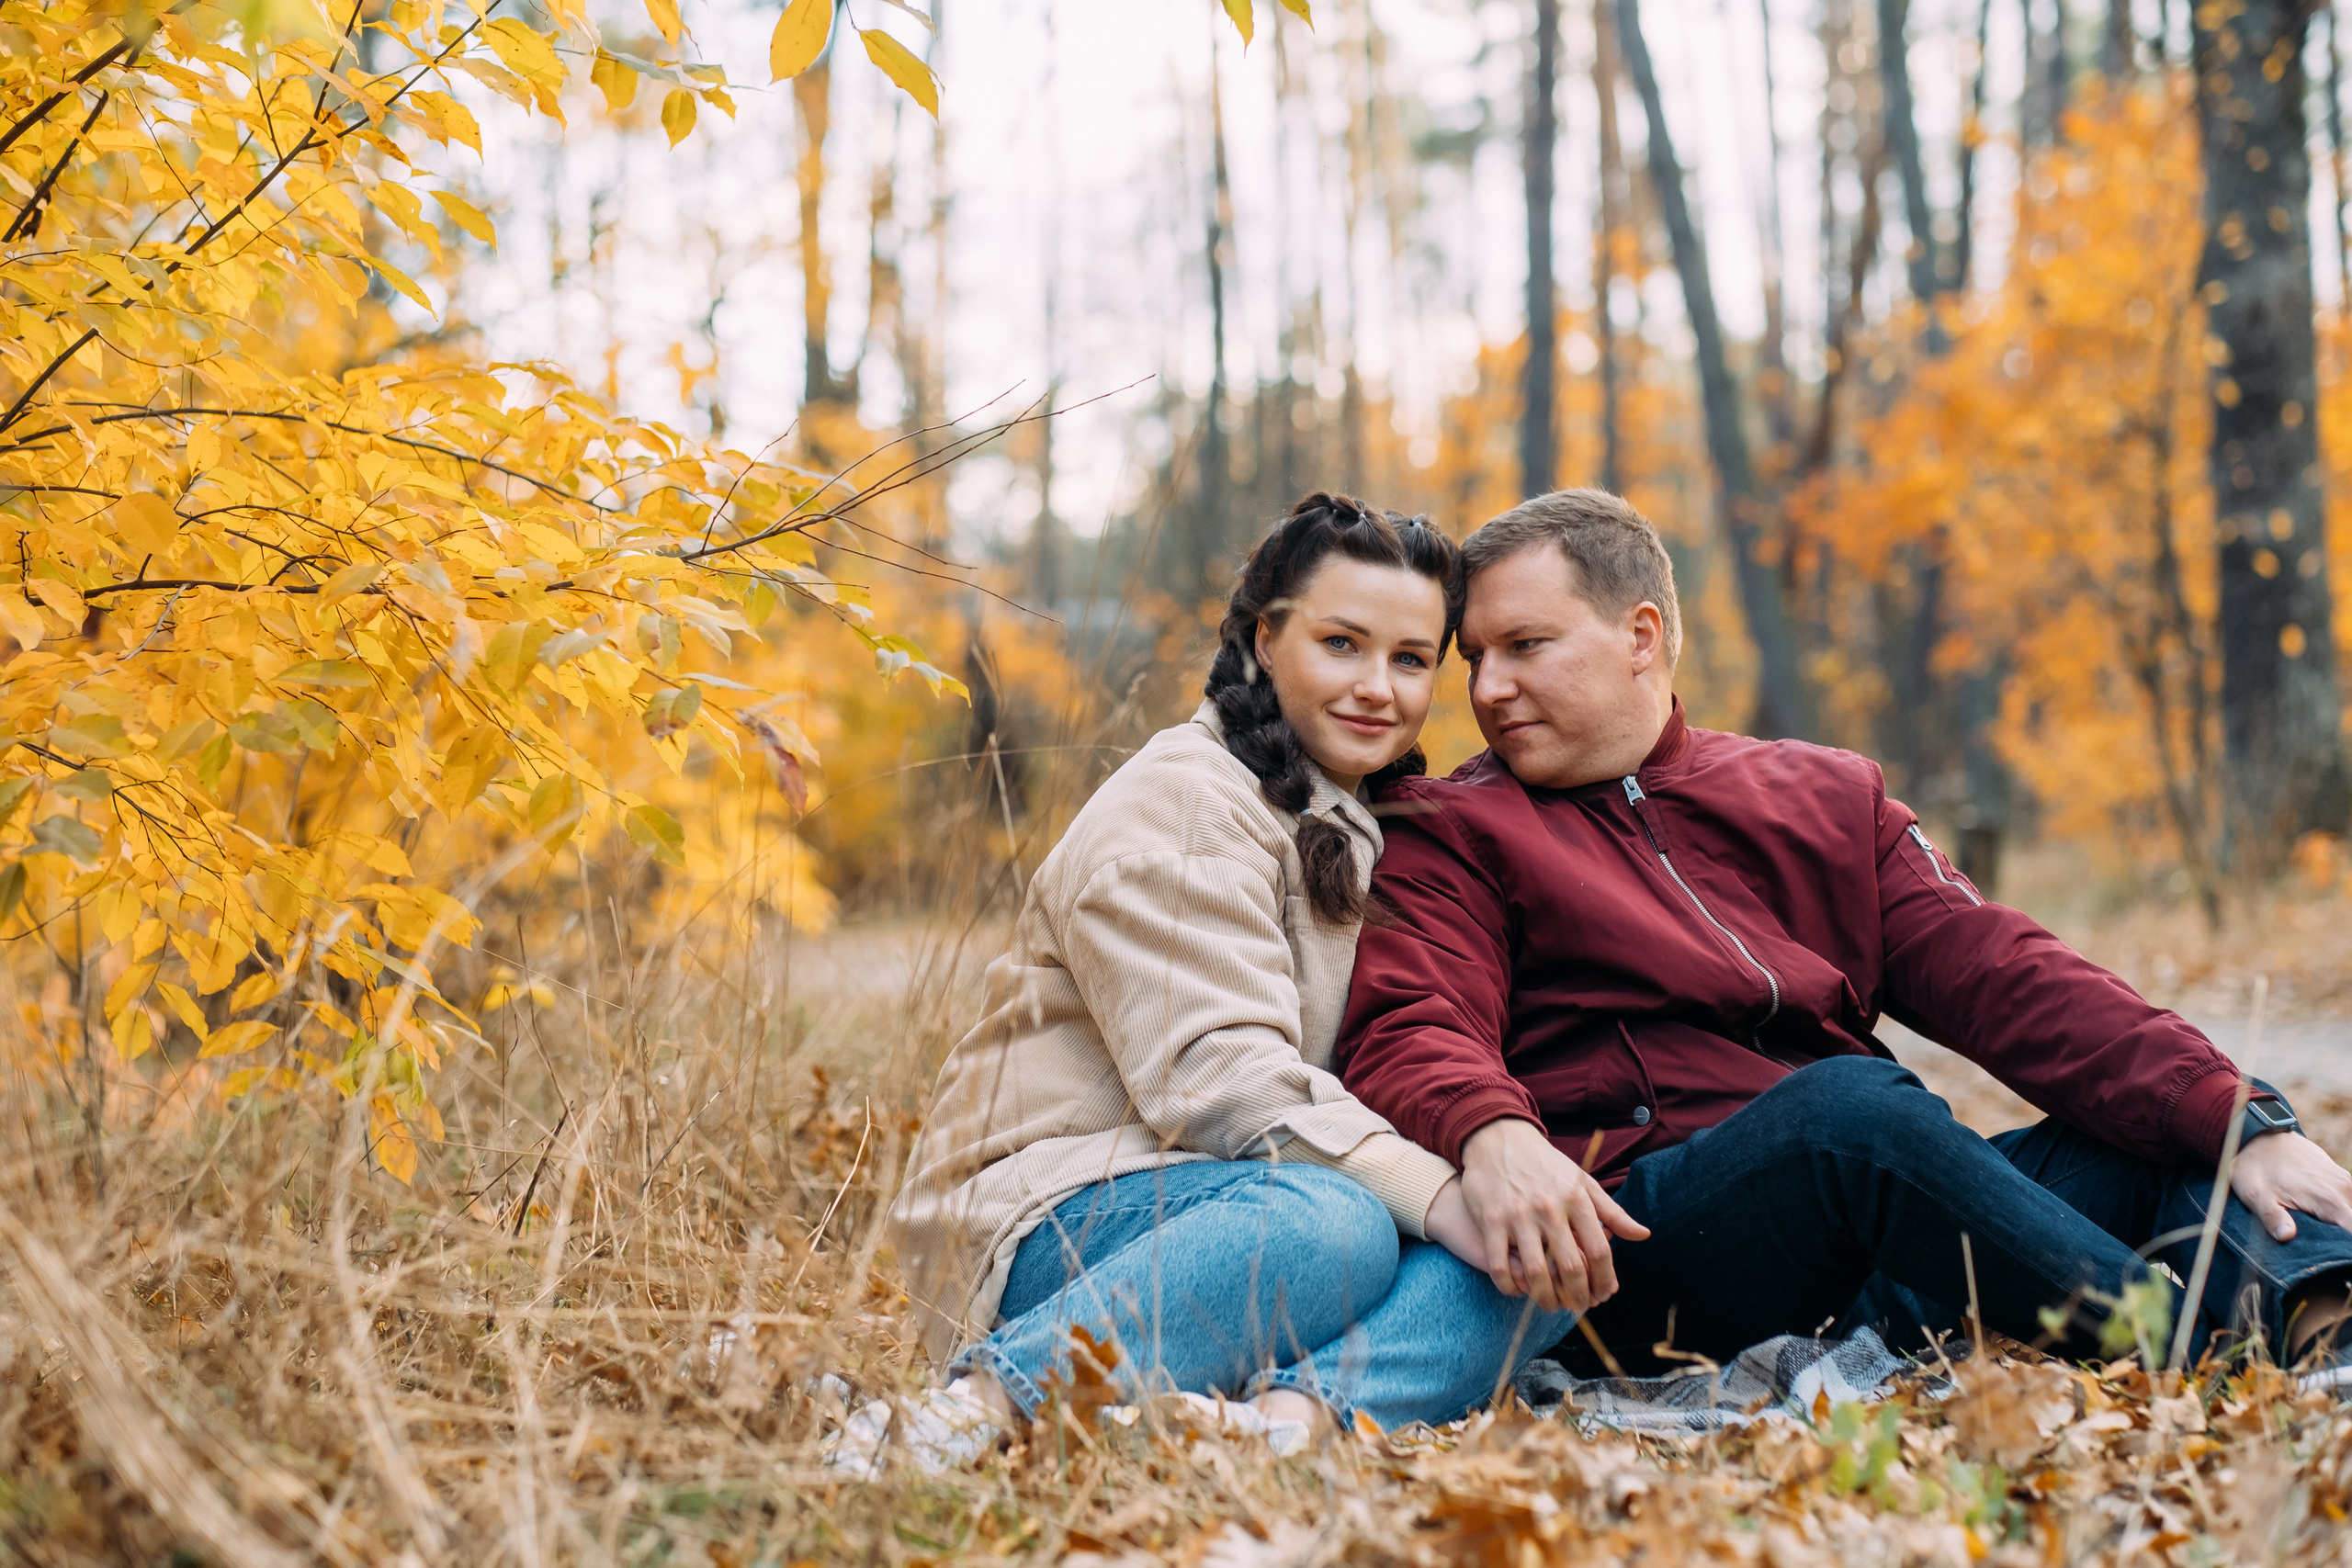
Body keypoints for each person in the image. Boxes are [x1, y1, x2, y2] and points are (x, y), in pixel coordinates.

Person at [1336, 488, 2352, 1380]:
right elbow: (1410, 1018)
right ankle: (2203, 1353)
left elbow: (2012, 979)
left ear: (1639, 636)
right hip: (1652, 1243)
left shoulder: (1821, 794)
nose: (1487, 690)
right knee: (1849, 1113)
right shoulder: (1454, 830)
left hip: (1892, 1228)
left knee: (2171, 1135)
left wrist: (2235, 1116)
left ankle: (2326, 1331)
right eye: (1475, 658)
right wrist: (1491, 1132)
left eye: (1526, 647)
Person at [866, 494, 1574, 1476]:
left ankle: (1279, 1422)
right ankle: (976, 1405)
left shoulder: (1344, 811)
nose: (1378, 687)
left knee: (1543, 1254)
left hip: (1246, 1196)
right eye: (1341, 644)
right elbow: (1218, 1086)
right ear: (1264, 638)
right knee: (1338, 1224)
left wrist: (1504, 1188)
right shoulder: (1185, 804)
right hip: (1055, 1215)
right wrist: (1439, 1193)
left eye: (1410, 659)